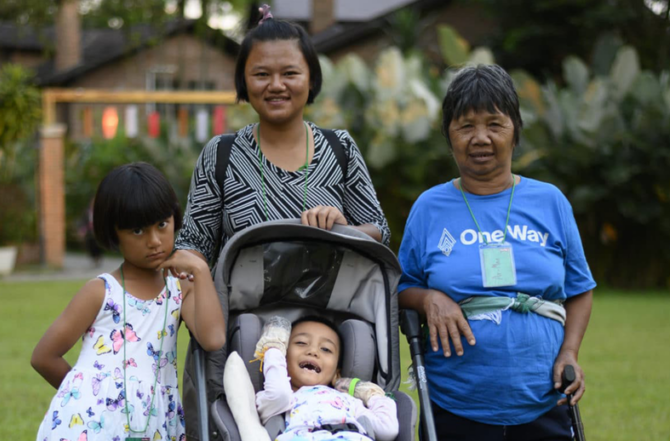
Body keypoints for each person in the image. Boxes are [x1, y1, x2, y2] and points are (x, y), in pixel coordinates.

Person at [175, 6, 390, 439]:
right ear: (243, 82)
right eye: (261, 74)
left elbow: (378, 233)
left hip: (326, 339)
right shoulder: (221, 155)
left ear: (311, 78)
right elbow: (191, 245)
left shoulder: (339, 148)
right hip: (240, 341)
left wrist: (343, 225)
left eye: (290, 73)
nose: (276, 85)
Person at [398, 64, 595, 440]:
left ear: (515, 130)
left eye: (494, 124)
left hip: (544, 399)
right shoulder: (429, 207)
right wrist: (429, 299)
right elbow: (402, 288)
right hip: (454, 403)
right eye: (466, 126)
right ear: (449, 135)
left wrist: (569, 352)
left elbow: (580, 289)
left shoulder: (550, 202)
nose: (481, 138)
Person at [31, 162, 226, 440]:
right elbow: (43, 356)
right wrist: (87, 395)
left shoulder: (180, 288)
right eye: (137, 231)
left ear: (175, 218)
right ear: (114, 233)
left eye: (162, 224)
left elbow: (214, 338)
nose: (154, 241)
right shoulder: (101, 292)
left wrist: (201, 269)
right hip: (91, 426)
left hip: (154, 423)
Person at [253, 316, 399, 441]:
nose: (313, 351)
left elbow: (387, 428)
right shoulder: (275, 400)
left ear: (337, 373)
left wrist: (372, 394)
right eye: (301, 343)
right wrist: (273, 348)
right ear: (283, 358)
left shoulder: (348, 401)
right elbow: (279, 393)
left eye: (326, 349)